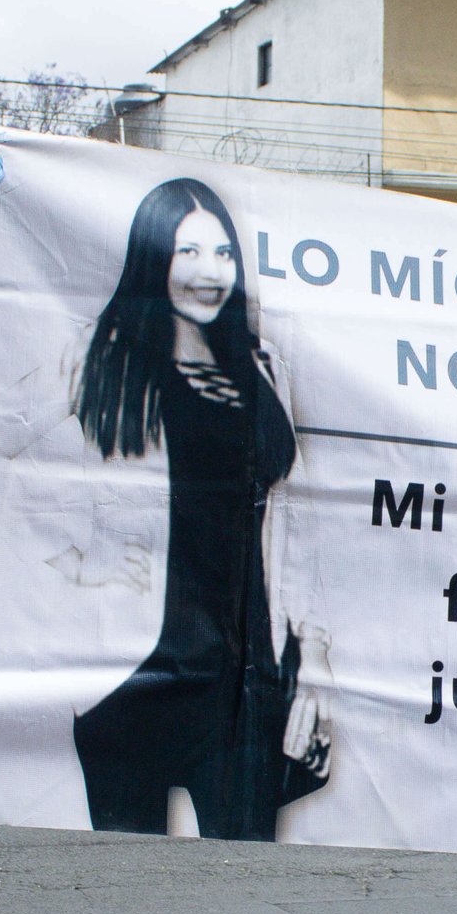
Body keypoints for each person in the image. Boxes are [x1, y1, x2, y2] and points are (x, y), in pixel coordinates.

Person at [69, 177, 331, 839]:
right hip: (138, 680)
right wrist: (80, 567)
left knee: (246, 892)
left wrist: (315, 657)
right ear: (152, 259)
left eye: (222, 253)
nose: (209, 272)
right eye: (187, 252)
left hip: (245, 687)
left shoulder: (263, 366)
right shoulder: (105, 361)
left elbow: (299, 526)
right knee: (128, 899)